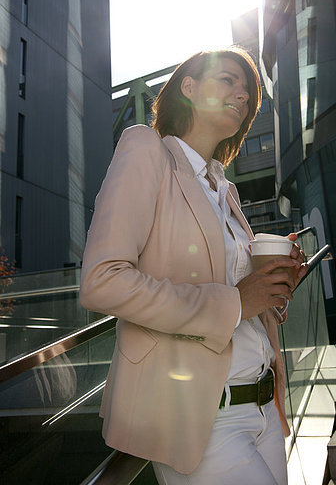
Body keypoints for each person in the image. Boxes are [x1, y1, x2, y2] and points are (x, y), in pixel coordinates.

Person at [80, 47, 308, 485]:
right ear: (189, 87)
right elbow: (101, 281)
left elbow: (240, 303)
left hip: (264, 408)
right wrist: (236, 301)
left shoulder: (225, 189)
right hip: (200, 419)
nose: (242, 94)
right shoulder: (146, 149)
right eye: (228, 80)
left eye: (248, 92)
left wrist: (273, 284)